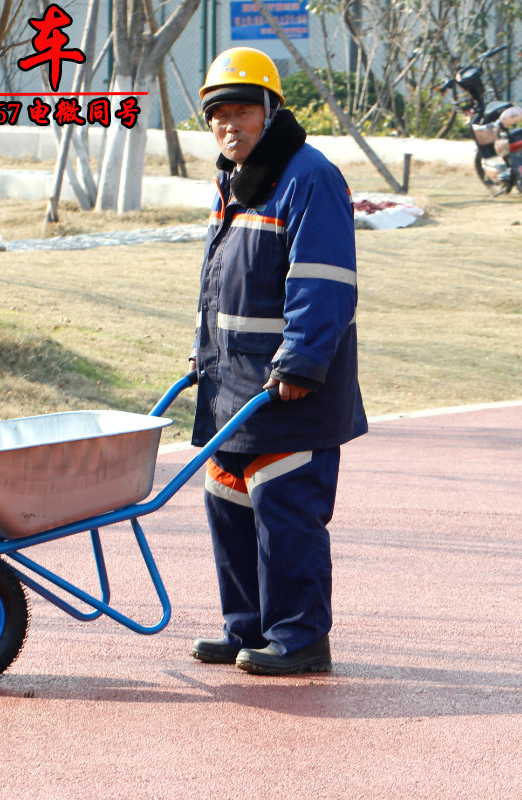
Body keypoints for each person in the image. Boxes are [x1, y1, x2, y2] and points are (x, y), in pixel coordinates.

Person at [189, 47, 367, 675]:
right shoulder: (234, 182)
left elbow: (323, 280)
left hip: (290, 389)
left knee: (286, 510)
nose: (228, 126)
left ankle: (299, 638)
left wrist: (300, 363)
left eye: (241, 112)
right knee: (229, 505)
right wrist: (201, 355)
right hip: (232, 385)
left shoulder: (308, 177)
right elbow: (221, 281)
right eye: (217, 115)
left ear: (270, 112)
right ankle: (248, 629)